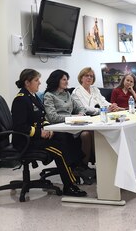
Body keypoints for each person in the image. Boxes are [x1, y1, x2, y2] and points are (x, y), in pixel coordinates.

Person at [11, 69, 87, 197]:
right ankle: (69, 185)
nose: (39, 83)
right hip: (26, 141)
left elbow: (42, 117)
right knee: (60, 150)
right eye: (36, 80)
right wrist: (39, 133)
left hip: (37, 137)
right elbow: (19, 127)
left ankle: (78, 170)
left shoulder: (32, 96)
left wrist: (46, 128)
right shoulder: (21, 99)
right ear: (27, 82)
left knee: (65, 138)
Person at [43, 69, 95, 183]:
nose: (67, 82)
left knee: (90, 133)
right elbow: (53, 117)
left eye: (67, 79)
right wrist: (72, 117)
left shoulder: (67, 94)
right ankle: (75, 168)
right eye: (64, 79)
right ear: (57, 80)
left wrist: (81, 113)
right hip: (59, 128)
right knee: (71, 138)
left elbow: (80, 107)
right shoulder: (49, 96)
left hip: (72, 125)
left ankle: (82, 166)